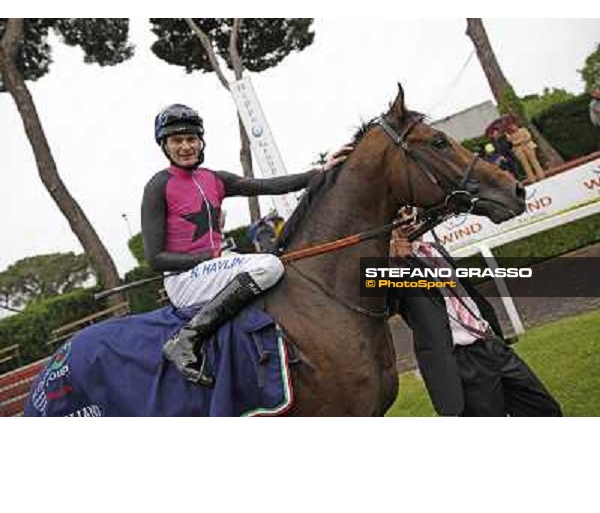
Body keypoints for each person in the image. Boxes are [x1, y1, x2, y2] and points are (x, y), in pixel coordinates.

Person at [143, 104, 352, 384]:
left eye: (191, 139)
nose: (185, 146)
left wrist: (321, 171)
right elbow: (155, 259)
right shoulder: (157, 186)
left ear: (201, 141)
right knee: (269, 266)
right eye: (176, 141)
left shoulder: (215, 179)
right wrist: (208, 257)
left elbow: (268, 186)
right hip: (183, 280)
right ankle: (187, 339)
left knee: (285, 261)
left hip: (213, 267)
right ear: (164, 145)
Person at [389, 218, 562, 417]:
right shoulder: (394, 266)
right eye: (399, 217)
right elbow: (382, 303)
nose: (408, 221)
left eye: (412, 215)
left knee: (545, 410)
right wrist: (392, 262)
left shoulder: (436, 249)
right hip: (462, 363)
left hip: (493, 346)